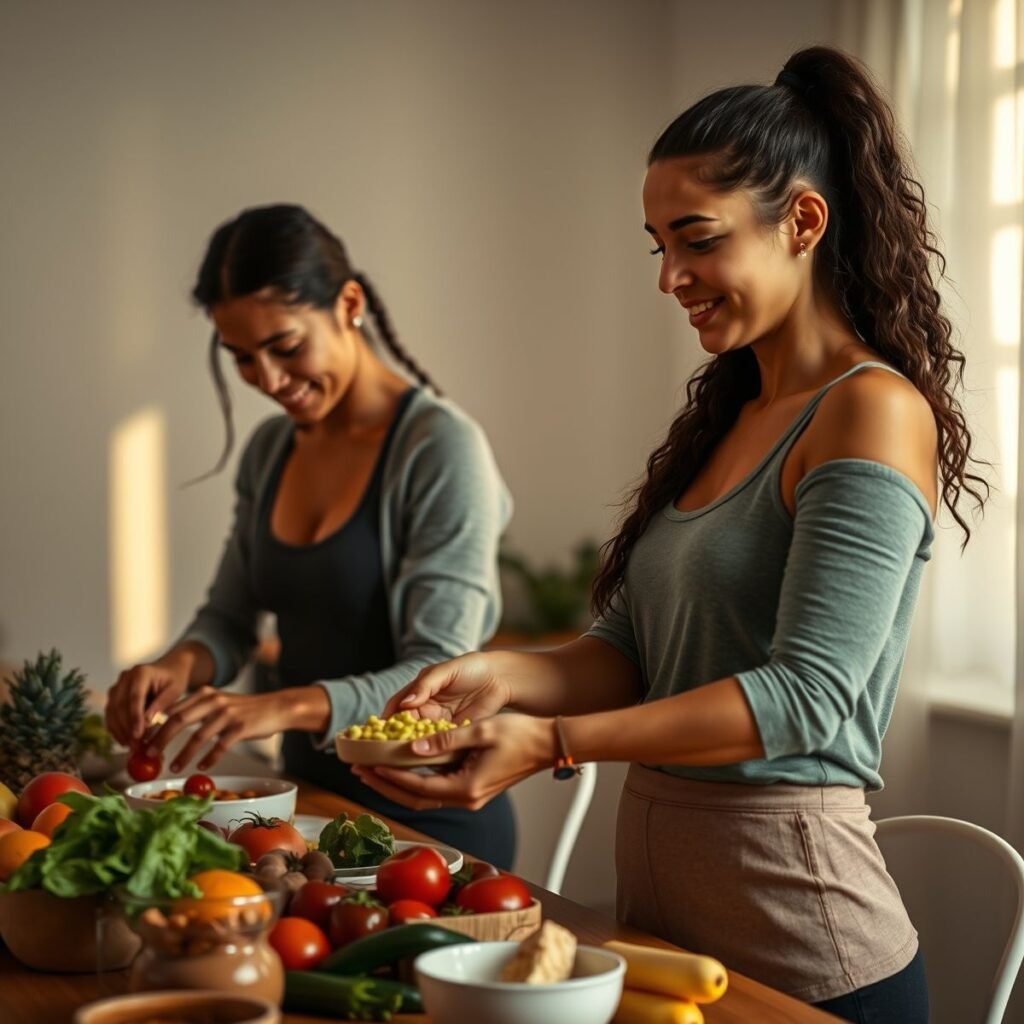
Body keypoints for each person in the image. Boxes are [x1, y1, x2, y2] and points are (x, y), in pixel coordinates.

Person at [349, 47, 988, 1022]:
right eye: (657, 245)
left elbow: (807, 697)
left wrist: (551, 741)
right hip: (664, 942)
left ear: (802, 222)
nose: (671, 277)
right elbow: (635, 654)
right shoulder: (729, 419)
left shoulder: (871, 411)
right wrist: (501, 679)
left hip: (808, 955)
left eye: (695, 239)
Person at [104, 204, 517, 867]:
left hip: (428, 824)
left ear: (348, 302)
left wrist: (283, 707)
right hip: (300, 812)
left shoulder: (441, 449)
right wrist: (175, 667)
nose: (267, 381)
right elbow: (229, 619)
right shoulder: (271, 450)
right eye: (241, 358)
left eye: (286, 347)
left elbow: (439, 674)